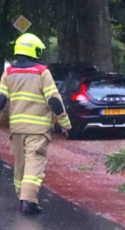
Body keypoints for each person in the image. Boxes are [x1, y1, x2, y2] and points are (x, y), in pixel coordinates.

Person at [0, 33, 72, 214]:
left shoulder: (8, 73)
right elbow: (54, 100)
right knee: (34, 164)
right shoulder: (41, 72)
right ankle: (28, 201)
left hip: (17, 128)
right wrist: (65, 123)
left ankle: (22, 197)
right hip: (38, 129)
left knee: (21, 165)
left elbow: (1, 100)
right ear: (34, 50)